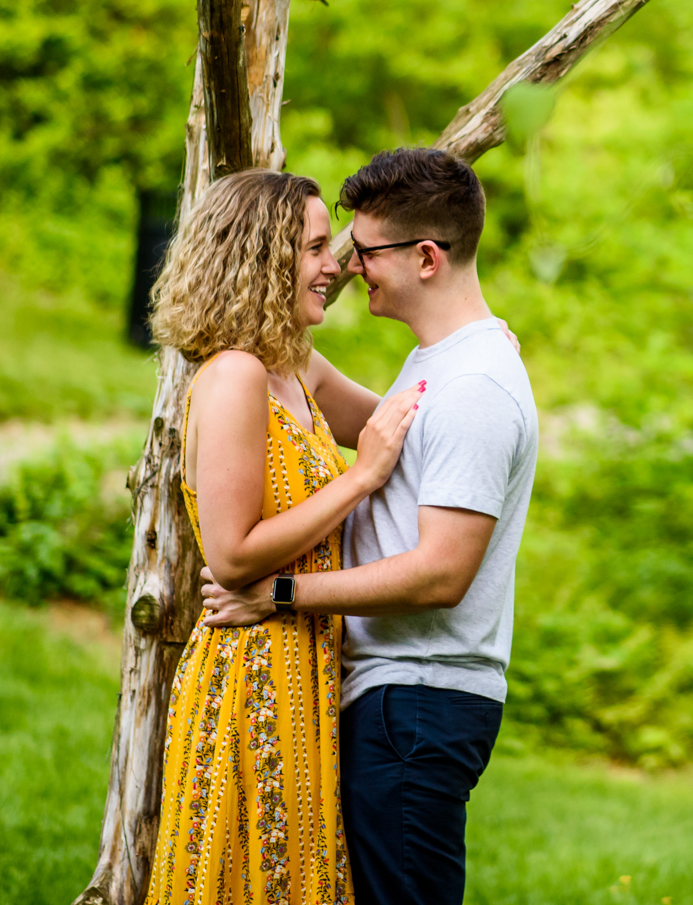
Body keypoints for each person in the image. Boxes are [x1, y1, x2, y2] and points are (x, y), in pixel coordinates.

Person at [203, 147, 538, 905]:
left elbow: (441, 573)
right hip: (392, 699)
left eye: (362, 250)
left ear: (426, 257)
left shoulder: (475, 383)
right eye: (334, 249)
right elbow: (331, 406)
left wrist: (280, 595)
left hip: (416, 703)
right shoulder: (446, 366)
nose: (350, 268)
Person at [143, 168, 426, 905]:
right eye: (316, 248)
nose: (335, 267)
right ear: (262, 259)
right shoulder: (235, 374)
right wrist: (357, 481)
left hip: (305, 662)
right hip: (250, 673)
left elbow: (397, 421)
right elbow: (231, 553)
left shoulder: (291, 365)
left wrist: (470, 350)